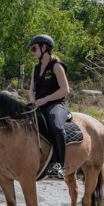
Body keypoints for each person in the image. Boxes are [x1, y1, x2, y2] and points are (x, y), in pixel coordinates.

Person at [28, 34, 71, 180]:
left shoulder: (57, 66)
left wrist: (45, 99)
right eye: (31, 50)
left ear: (44, 47)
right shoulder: (35, 68)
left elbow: (65, 90)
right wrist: (33, 100)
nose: (32, 52)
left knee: (56, 127)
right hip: (39, 105)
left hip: (56, 105)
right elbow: (31, 90)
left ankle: (59, 166)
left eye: (34, 48)